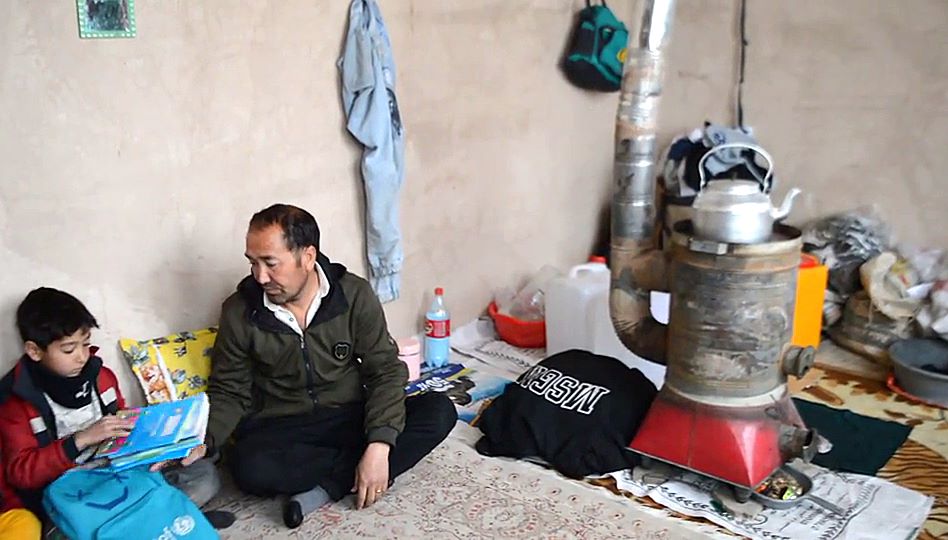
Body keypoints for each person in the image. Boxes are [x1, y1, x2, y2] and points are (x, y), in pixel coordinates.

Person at [183, 203, 456, 529]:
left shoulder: (352, 295)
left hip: (349, 414)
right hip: (283, 427)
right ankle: (349, 474)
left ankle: (326, 487)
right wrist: (205, 438)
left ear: (308, 256)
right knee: (248, 468)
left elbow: (384, 370)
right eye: (253, 263)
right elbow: (229, 390)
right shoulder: (239, 311)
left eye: (270, 263)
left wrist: (379, 444)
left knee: (439, 410)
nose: (260, 276)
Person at [0, 288, 221, 523]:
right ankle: (163, 518)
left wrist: (161, 451)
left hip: (121, 472)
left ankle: (147, 519)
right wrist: (80, 440)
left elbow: (125, 425)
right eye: (69, 349)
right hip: (76, 493)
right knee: (74, 524)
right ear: (34, 351)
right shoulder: (17, 400)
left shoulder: (99, 376)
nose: (82, 356)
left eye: (86, 344)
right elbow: (21, 474)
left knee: (204, 476)